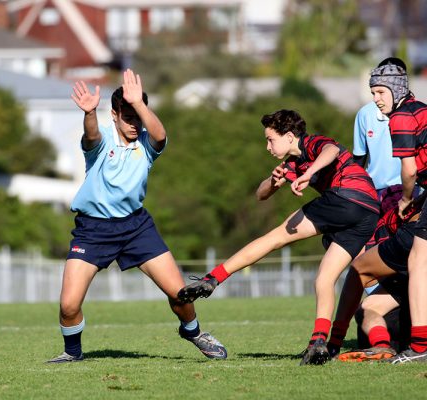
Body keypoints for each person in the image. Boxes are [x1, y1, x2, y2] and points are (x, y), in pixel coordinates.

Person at [47, 69, 227, 363]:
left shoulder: (146, 143)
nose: (134, 123)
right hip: (93, 230)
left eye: (138, 117)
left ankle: (193, 332)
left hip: (135, 227)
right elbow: (90, 136)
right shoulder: (103, 139)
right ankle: (73, 353)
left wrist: (140, 106)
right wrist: (90, 112)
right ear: (114, 115)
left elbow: (160, 134)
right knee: (68, 306)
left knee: (181, 293)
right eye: (127, 116)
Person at [177, 109, 380, 365]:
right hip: (369, 211)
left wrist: (308, 174)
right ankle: (321, 343)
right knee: (325, 278)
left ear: (290, 136)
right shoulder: (292, 164)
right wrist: (273, 182)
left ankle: (212, 279)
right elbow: (261, 195)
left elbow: (332, 151)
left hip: (346, 197)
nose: (267, 146)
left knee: (275, 238)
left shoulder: (312, 143)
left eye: (271, 139)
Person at [347, 57, 427, 364]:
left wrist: (406, 200)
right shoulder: (420, 109)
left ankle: (419, 347)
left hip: (409, 201)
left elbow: (408, 170)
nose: (376, 100)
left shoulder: (401, 117)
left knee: (416, 262)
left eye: (380, 92)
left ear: (396, 89)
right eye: (373, 93)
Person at [333, 188, 425, 362]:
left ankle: (342, 340)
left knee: (359, 273)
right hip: (410, 278)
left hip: (414, 258)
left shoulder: (385, 221)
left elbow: (370, 274)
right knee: (370, 305)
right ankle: (382, 345)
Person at [353, 100, 401, 195]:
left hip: (412, 187)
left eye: (381, 92)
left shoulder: (416, 112)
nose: (376, 98)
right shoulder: (365, 113)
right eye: (373, 93)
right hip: (375, 189)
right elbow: (359, 158)